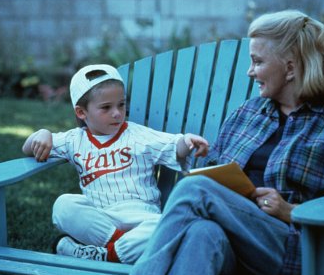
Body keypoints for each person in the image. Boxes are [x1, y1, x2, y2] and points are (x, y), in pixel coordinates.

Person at [125, 9, 324, 275]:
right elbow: (211, 175)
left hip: (296, 253)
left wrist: (291, 211)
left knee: (193, 190)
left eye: (257, 62)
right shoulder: (248, 113)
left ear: (291, 67)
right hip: (235, 244)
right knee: (201, 233)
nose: (250, 72)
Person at [22, 64, 209, 264]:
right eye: (106, 107)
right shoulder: (74, 140)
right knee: (63, 205)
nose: (118, 113)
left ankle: (104, 255)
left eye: (121, 104)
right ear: (81, 112)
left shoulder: (138, 135)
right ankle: (120, 250)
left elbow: (173, 146)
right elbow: (27, 148)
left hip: (142, 218)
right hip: (100, 220)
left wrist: (187, 141)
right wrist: (42, 134)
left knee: (173, 222)